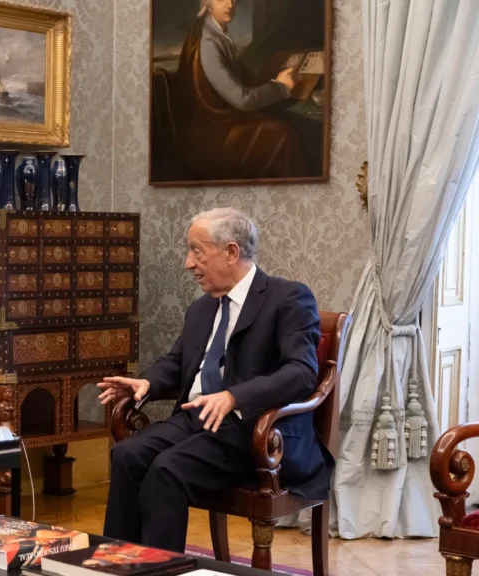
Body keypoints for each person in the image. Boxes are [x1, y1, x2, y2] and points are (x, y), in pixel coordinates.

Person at [98, 208, 330, 552]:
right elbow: (177, 364)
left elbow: (301, 372)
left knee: (167, 469)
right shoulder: (202, 308)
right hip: (196, 420)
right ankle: (118, 564)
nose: (188, 263)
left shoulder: (288, 298)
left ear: (231, 252)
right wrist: (147, 383)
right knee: (128, 455)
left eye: (196, 251)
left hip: (253, 432)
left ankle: (161, 570)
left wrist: (234, 396)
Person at [171, 0, 305, 180]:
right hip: (211, 135)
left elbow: (235, 71)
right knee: (283, 135)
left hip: (216, 122)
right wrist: (280, 87)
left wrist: (270, 78)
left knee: (277, 120)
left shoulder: (214, 30)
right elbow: (242, 100)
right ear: (208, 3)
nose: (230, 4)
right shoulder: (208, 43)